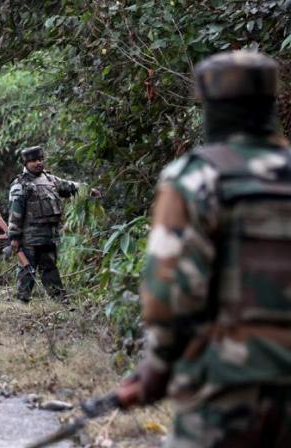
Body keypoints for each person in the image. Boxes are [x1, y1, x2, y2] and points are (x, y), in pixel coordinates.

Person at [111, 50, 291, 446]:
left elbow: (169, 295)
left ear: (211, 106)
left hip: (226, 388)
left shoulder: (198, 177)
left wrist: (156, 370)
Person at [6, 145, 99, 302]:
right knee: (27, 271)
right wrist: (14, 237)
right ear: (26, 163)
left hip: (49, 237)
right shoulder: (20, 184)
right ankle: (21, 302)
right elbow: (15, 213)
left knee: (50, 270)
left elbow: (70, 186)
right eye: (34, 160)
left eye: (41, 159)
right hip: (29, 239)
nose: (38, 163)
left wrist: (88, 190)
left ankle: (60, 300)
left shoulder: (50, 180)